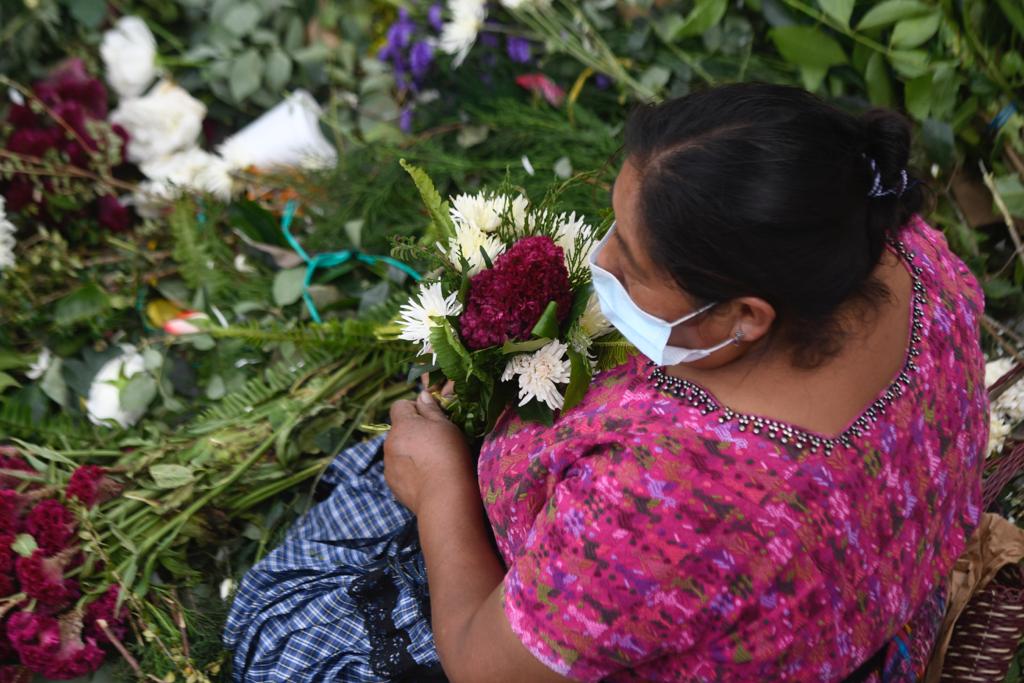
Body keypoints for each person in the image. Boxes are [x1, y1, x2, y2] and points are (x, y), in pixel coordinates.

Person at [223, 83, 988, 682]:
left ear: (749, 316)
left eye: (633, 261)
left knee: (283, 625)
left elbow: (483, 666)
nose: (600, 263)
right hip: (853, 603)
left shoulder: (674, 497)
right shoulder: (898, 253)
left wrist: (440, 489)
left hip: (669, 613)